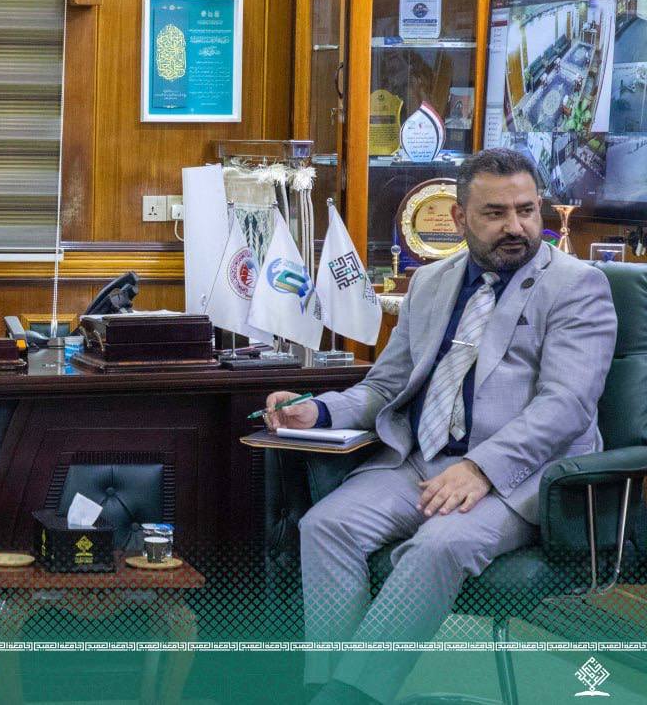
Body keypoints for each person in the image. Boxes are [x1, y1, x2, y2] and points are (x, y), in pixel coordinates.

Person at [263, 148, 617, 705]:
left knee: (437, 546)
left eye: (526, 210)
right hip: (422, 462)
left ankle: (352, 695)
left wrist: (480, 468)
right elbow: (387, 385)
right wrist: (320, 411)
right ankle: (328, 684)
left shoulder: (577, 286)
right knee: (327, 526)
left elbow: (566, 405)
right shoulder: (430, 282)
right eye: (495, 213)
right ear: (459, 217)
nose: (516, 227)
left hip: (519, 475)